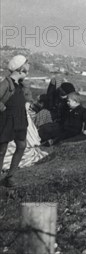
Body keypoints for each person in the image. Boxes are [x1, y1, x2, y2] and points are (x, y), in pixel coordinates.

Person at [0, 55, 33, 187]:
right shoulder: (5, 83)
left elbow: (27, 98)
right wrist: (2, 107)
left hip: (20, 120)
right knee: (2, 150)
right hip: (6, 121)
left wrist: (28, 103)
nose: (29, 67)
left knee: (21, 146)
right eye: (27, 64)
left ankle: (10, 176)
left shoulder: (22, 85)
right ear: (20, 68)